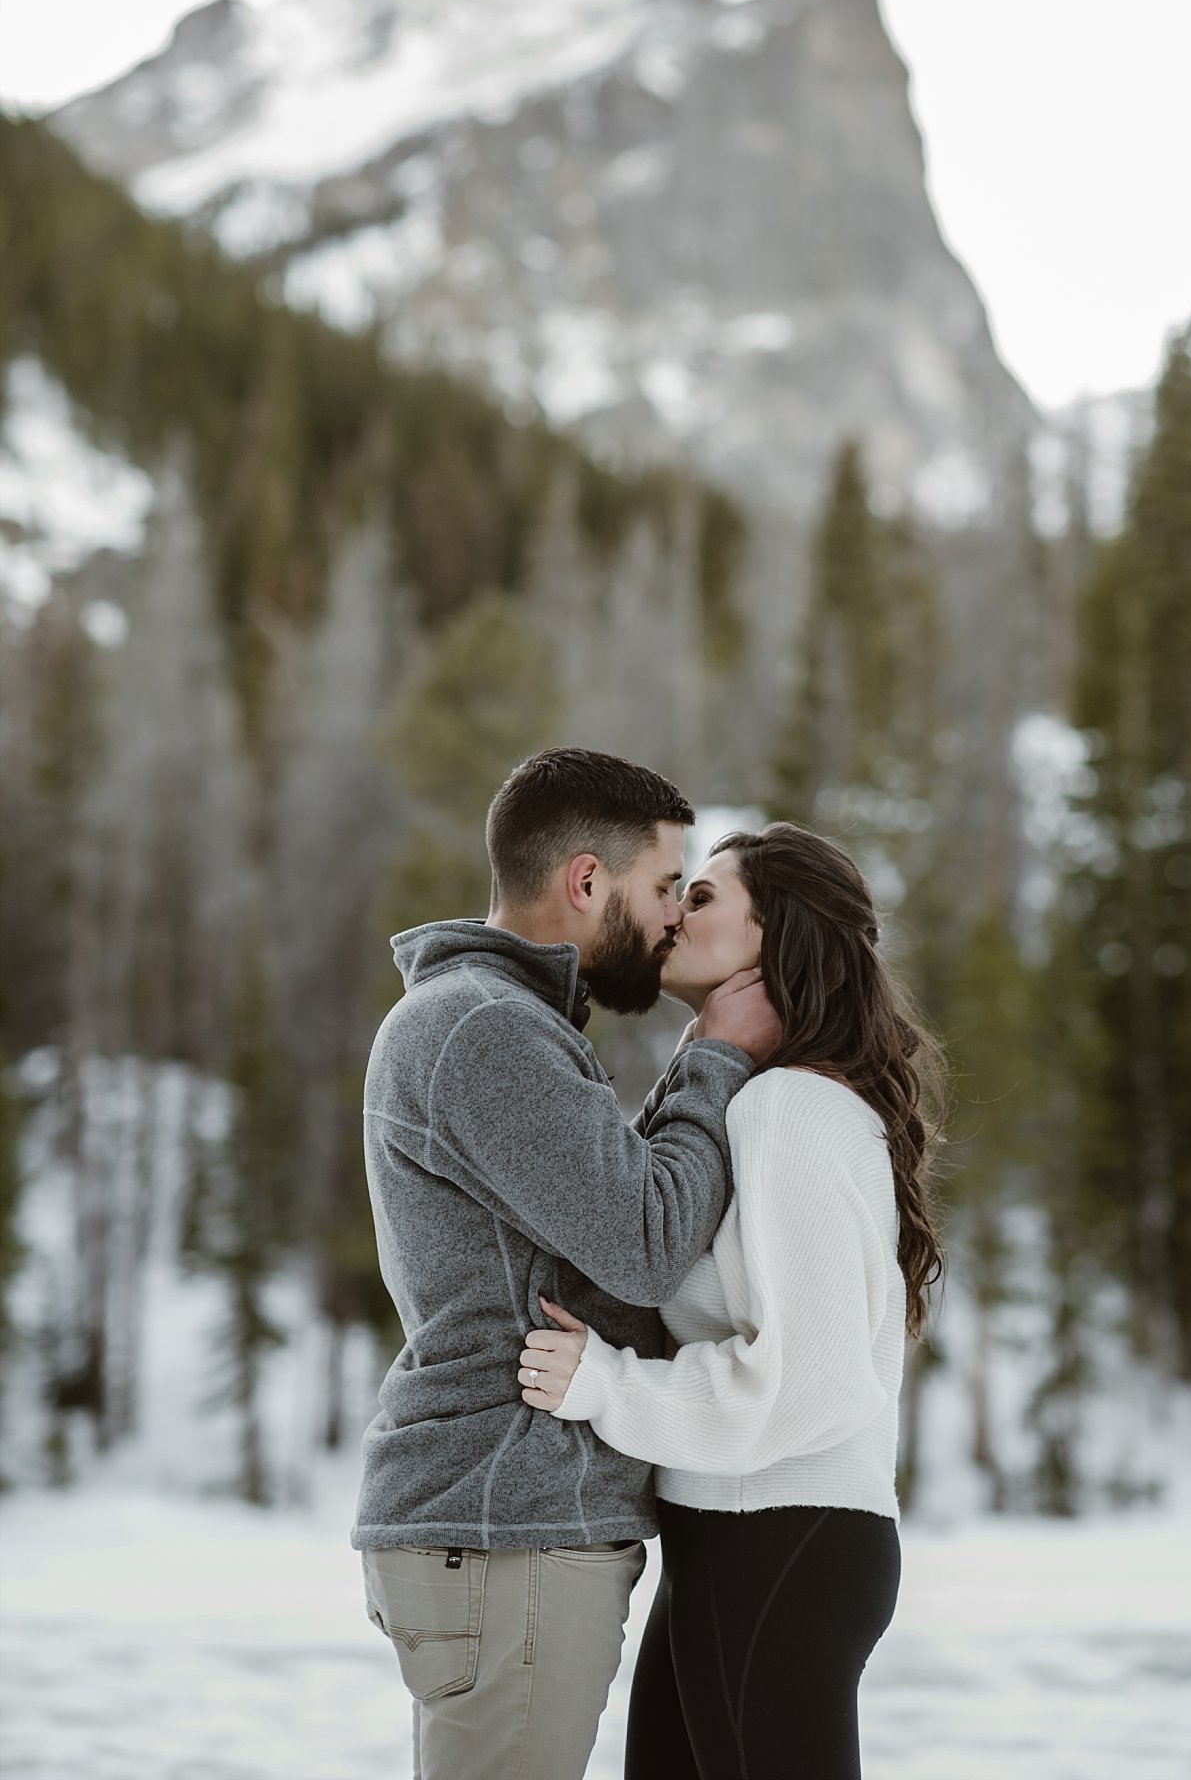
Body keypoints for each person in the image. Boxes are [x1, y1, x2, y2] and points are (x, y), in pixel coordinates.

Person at [352, 748, 782, 1780]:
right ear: (587, 882)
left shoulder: (495, 1021)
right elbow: (641, 1240)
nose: (676, 915)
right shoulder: (488, 1028)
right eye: (665, 887)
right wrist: (717, 1053)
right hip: (512, 1522)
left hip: (505, 1521)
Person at [517, 822, 946, 1780]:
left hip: (782, 1534)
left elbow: (814, 1379)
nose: (674, 914)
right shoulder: (763, 1101)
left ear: (776, 935)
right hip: (736, 1532)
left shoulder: (789, 1112)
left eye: (703, 897)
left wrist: (609, 1386)